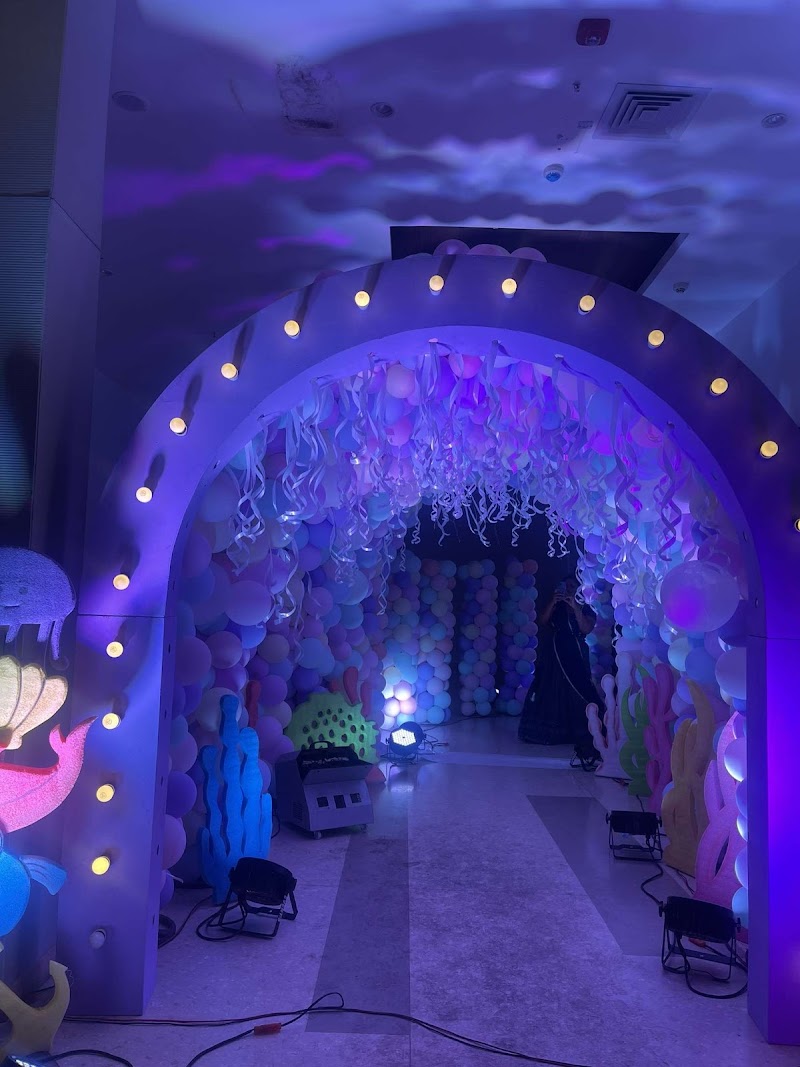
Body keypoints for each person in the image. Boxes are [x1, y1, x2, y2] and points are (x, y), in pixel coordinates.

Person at [517, 576, 601, 769]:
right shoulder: (557, 606)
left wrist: (575, 607)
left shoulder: (586, 607)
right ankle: (553, 731)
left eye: (572, 586)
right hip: (555, 651)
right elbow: (543, 621)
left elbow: (586, 628)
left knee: (579, 687)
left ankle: (587, 728)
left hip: (575, 651)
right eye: (566, 586)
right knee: (552, 687)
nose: (569, 589)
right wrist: (553, 602)